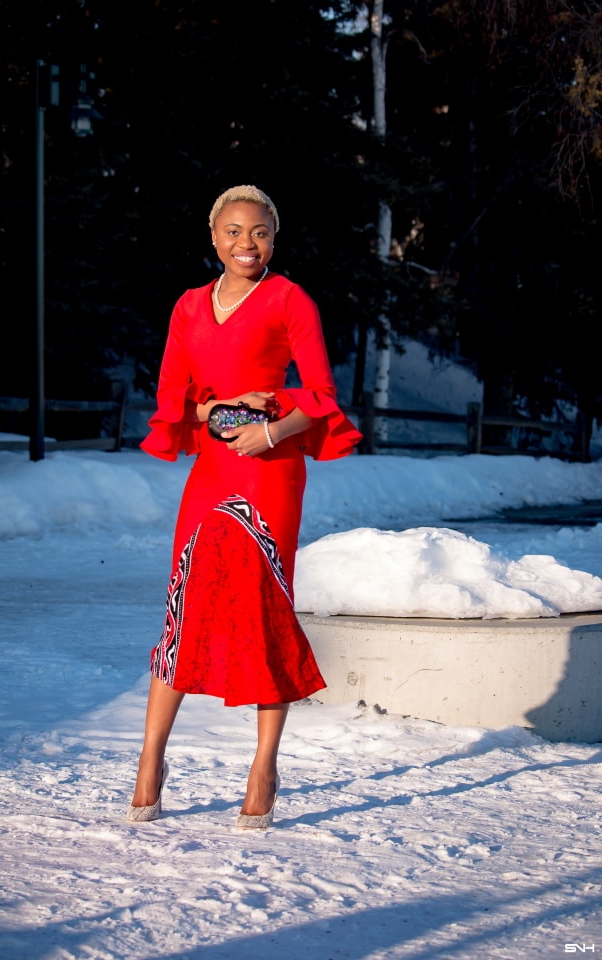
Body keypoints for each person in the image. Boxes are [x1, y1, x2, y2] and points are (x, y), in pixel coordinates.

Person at [128, 184, 362, 828]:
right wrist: (211, 411)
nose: (246, 244)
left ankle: (264, 764)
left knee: (262, 608)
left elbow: (320, 394)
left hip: (271, 471)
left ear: (274, 237)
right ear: (213, 238)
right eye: (233, 232)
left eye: (258, 232)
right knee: (186, 601)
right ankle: (151, 758)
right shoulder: (187, 307)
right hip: (211, 468)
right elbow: (173, 400)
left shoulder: (290, 300)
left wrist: (271, 430)